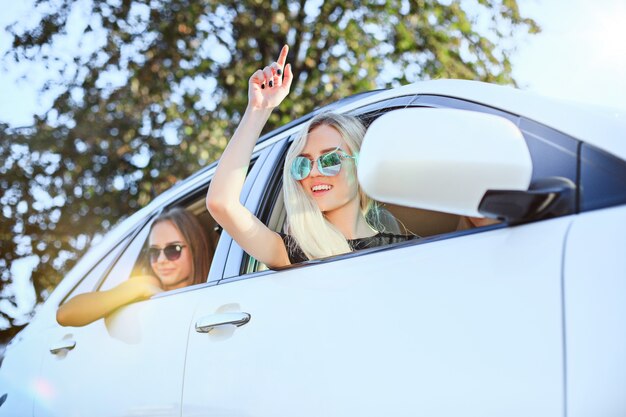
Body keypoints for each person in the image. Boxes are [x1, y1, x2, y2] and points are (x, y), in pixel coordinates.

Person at [206, 45, 414, 268]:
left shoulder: (409, 251)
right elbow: (221, 203)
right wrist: (258, 110)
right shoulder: (294, 253)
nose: (314, 172)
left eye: (331, 160)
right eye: (303, 163)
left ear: (361, 165)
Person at [56, 208, 211, 327]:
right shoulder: (148, 284)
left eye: (173, 250)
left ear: (195, 248)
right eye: (154, 252)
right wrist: (139, 288)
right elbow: (64, 315)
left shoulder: (215, 286)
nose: (161, 260)